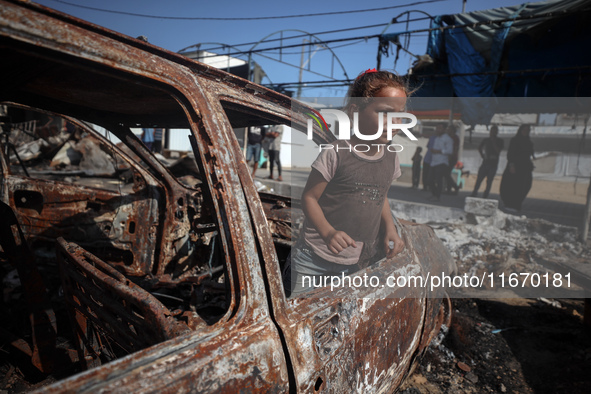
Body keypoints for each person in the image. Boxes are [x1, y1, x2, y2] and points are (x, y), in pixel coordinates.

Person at [284, 69, 406, 297]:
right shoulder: (336, 154)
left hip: (354, 262)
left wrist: (390, 228)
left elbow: (380, 195)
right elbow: (309, 198)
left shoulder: (391, 157)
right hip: (313, 257)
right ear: (356, 111)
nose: (394, 123)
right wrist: (328, 232)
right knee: (297, 313)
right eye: (385, 113)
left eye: (400, 115)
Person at [500, 124, 535, 211]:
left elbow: (529, 155)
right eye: (524, 130)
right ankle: (508, 203)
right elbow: (510, 153)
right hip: (514, 167)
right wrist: (511, 165)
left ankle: (516, 204)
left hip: (524, 168)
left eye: (527, 130)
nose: (525, 132)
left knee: (524, 186)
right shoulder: (515, 140)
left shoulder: (529, 142)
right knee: (510, 185)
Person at [471, 125, 504, 198]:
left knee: (489, 181)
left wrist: (494, 142)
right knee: (479, 178)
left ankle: (486, 194)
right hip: (485, 162)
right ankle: (474, 192)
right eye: (492, 131)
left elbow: (498, 151)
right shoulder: (486, 140)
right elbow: (479, 147)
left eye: (495, 132)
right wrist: (482, 155)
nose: (493, 133)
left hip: (493, 164)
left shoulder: (500, 141)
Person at [428, 123, 454, 201]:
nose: (438, 130)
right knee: (430, 179)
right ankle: (434, 194)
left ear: (444, 129)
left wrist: (438, 151)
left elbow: (450, 151)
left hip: (442, 162)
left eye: (440, 128)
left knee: (439, 180)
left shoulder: (448, 139)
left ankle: (437, 196)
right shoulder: (436, 138)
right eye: (437, 128)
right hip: (434, 162)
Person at [444, 124, 460, 194]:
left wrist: (451, 156)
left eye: (449, 129)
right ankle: (449, 188)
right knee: (447, 173)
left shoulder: (455, 138)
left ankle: (454, 186)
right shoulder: (448, 137)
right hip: (447, 157)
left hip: (452, 158)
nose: (447, 131)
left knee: (446, 173)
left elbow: (456, 149)